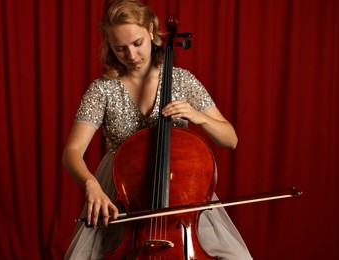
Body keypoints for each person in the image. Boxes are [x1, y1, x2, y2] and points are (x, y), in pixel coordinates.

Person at [62, 0, 252, 259]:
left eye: (137, 44)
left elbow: (230, 140)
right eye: (120, 49)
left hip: (179, 196)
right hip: (121, 195)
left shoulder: (182, 80)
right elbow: (72, 152)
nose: (131, 56)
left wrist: (197, 116)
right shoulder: (102, 90)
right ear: (109, 46)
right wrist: (91, 184)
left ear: (151, 31)